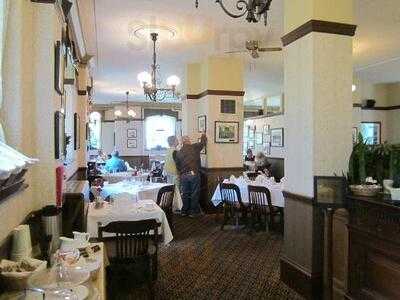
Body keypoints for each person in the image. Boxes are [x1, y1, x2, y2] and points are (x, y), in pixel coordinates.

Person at [174, 134, 207, 217]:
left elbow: (177, 166)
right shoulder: (194, 147)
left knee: (185, 193)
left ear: (182, 142)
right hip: (193, 174)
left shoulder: (179, 152)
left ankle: (184, 211)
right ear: (188, 141)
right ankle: (193, 212)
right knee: (194, 193)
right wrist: (203, 135)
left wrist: (182, 173)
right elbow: (203, 143)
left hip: (183, 175)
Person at [164, 135, 183, 211]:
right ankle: (175, 207)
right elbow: (178, 164)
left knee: (170, 190)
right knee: (176, 191)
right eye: (177, 140)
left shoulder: (168, 150)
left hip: (168, 172)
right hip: (174, 173)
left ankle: (170, 206)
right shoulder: (175, 151)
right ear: (174, 141)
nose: (178, 141)